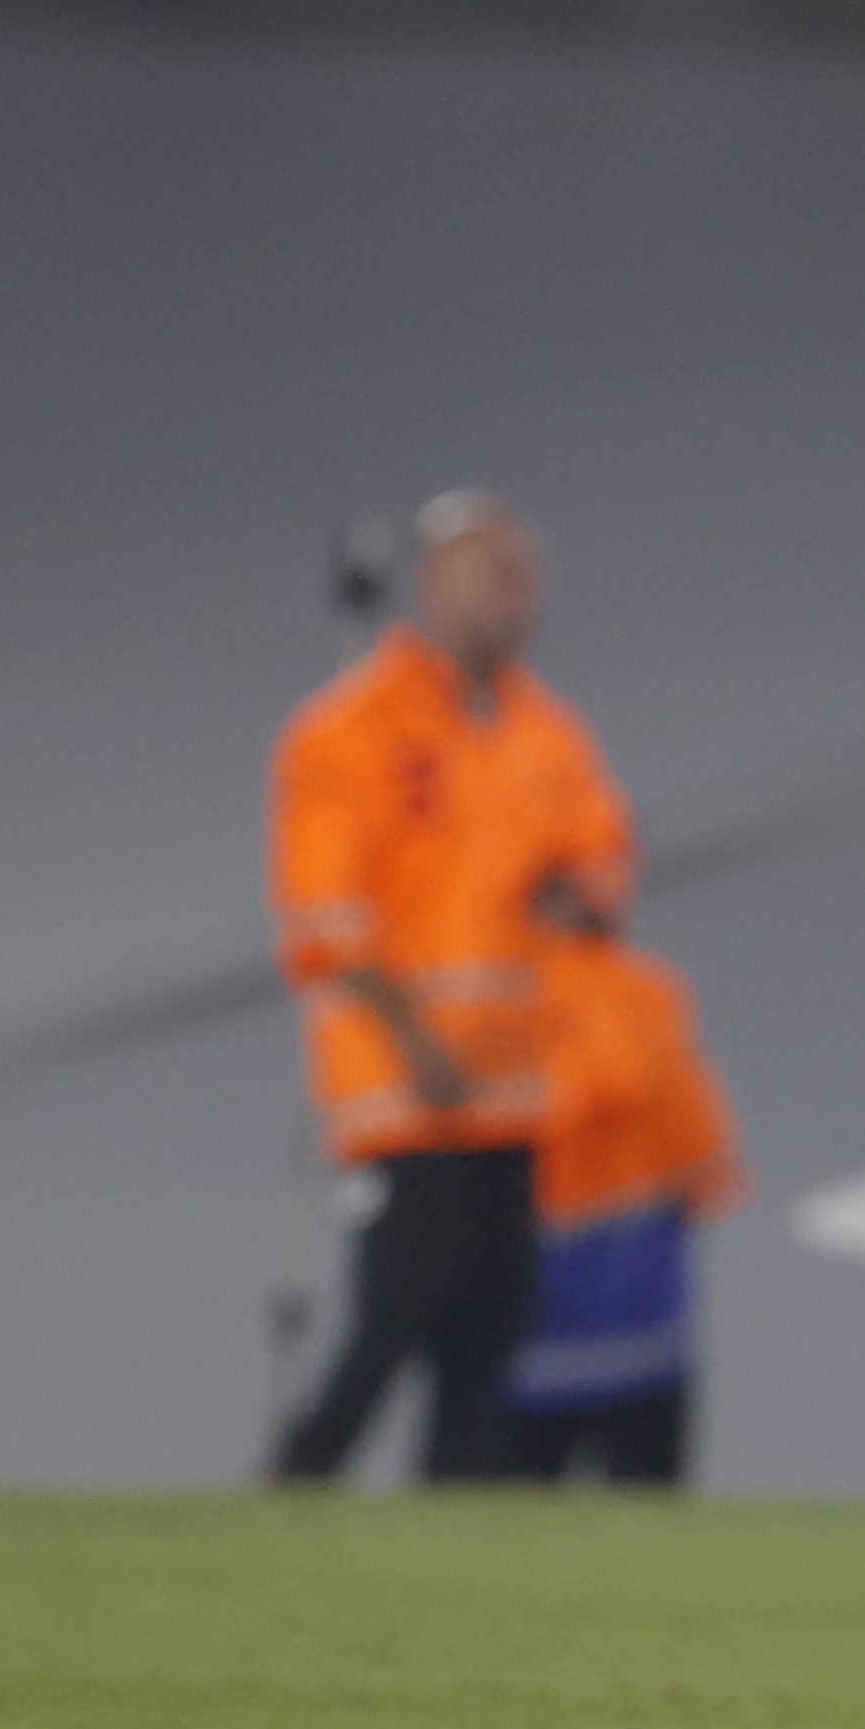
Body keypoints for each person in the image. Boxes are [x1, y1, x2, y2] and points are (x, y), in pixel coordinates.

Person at [267, 492, 639, 1485]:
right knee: (401, 1309)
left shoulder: (544, 734)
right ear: (436, 582)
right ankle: (298, 1481)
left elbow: (602, 857)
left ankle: (456, 1516)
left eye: (526, 575)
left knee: (494, 1334)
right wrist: (409, 1036)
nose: (517, 597)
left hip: (518, 1089)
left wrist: (583, 898)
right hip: (400, 1087)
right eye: (495, 573)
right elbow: (325, 914)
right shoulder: (350, 729)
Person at [506, 923, 736, 1483]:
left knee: (509, 1515)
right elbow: (693, 1139)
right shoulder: (638, 991)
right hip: (634, 1295)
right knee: (644, 1505)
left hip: (534, 1304)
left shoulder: (480, 991)